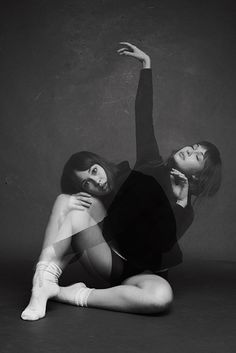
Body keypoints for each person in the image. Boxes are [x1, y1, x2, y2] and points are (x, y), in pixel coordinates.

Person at [21, 42, 222, 321]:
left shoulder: (185, 208)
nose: (192, 148)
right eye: (195, 145)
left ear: (198, 176)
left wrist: (180, 203)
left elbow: (162, 243)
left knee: (161, 298)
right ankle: (43, 281)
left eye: (198, 156)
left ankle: (66, 293)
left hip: (141, 273)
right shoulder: (150, 161)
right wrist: (147, 66)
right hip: (109, 257)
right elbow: (143, 117)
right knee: (67, 201)